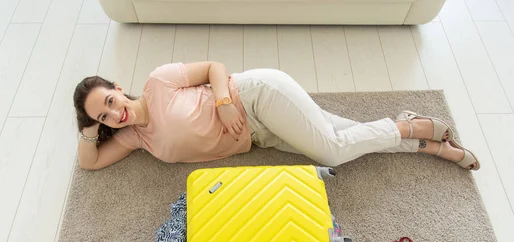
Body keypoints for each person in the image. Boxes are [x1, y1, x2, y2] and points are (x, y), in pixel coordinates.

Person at [73, 61, 479, 171]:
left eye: (109, 101)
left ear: (117, 87)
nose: (115, 114)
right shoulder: (134, 139)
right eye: (103, 118)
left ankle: (411, 126)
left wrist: (222, 102)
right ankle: (421, 143)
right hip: (260, 137)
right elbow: (89, 163)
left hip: (255, 97)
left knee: (335, 151)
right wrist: (89, 126)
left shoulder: (158, 82)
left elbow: (214, 66)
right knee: (347, 138)